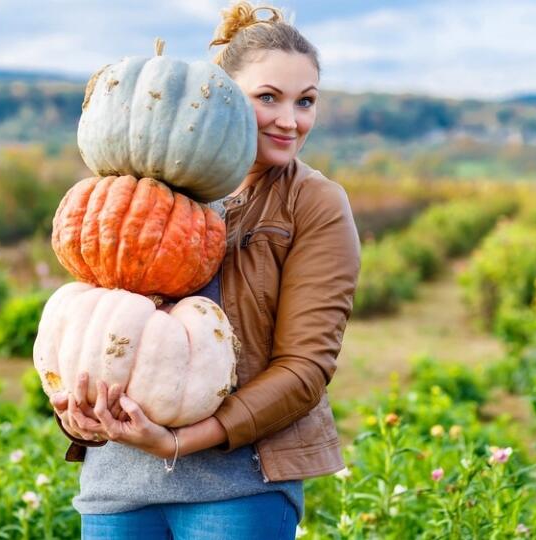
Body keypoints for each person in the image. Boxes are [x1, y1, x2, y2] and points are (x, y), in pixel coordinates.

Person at [48, 2, 361, 539]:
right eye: (268, 98)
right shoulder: (139, 188)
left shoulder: (314, 203)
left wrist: (177, 442)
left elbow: (305, 368)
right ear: (222, 95)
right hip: (117, 484)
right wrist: (74, 412)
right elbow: (92, 329)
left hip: (239, 488)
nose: (290, 120)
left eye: (305, 101)